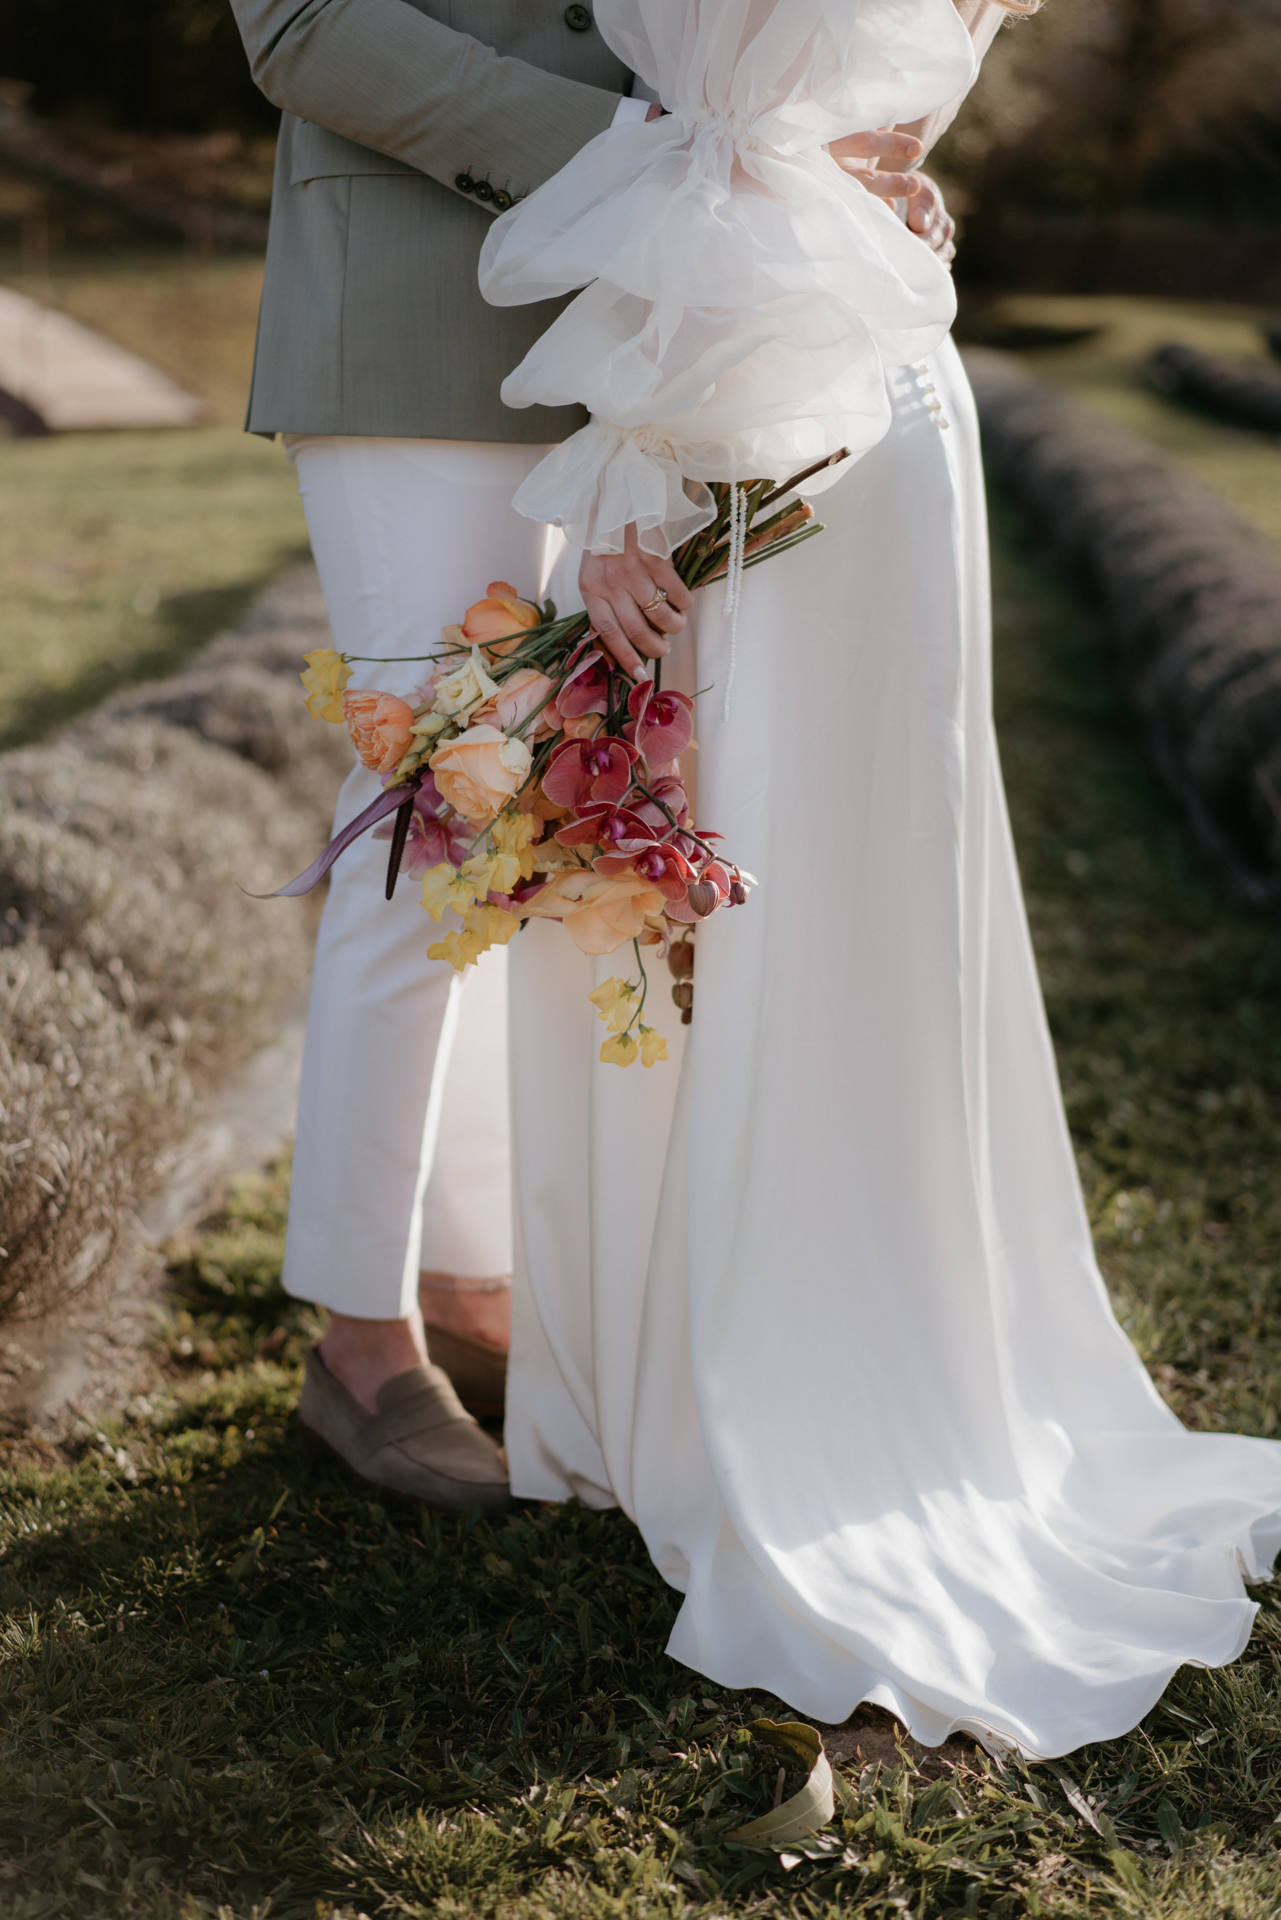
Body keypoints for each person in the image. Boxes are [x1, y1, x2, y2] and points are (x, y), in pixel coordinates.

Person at [471, 0, 1281, 1759]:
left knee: (771, 874)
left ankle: (740, 1372)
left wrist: (628, 475)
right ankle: (784, 1346)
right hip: (857, 381)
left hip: (770, 405)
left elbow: (738, 138)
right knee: (800, 884)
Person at [228, 0, 956, 1510]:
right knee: (432, 817)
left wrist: (817, 170)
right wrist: (629, 156)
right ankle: (361, 1336)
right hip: (418, 319)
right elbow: (302, 28)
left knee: (574, 830)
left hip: (658, 344)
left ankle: (476, 1276)